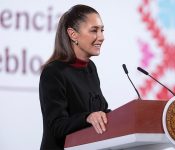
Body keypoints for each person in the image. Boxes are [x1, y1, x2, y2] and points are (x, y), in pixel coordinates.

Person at [39, 4, 110, 150]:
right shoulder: (53, 72)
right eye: (94, 30)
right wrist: (87, 118)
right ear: (73, 34)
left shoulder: (90, 68)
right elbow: (57, 126)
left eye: (102, 30)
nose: (101, 37)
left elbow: (100, 110)